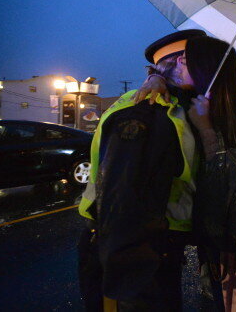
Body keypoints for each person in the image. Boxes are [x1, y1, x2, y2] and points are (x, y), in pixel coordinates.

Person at [135, 35, 236, 312]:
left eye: (186, 60)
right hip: (204, 224)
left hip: (235, 227)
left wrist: (205, 128)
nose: (178, 64)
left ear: (206, 65)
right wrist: (154, 79)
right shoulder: (188, 99)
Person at [77, 29, 208, 310]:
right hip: (134, 251)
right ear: (181, 63)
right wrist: (133, 282)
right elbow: (122, 196)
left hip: (153, 244)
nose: (206, 70)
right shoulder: (146, 111)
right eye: (199, 62)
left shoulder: (171, 108)